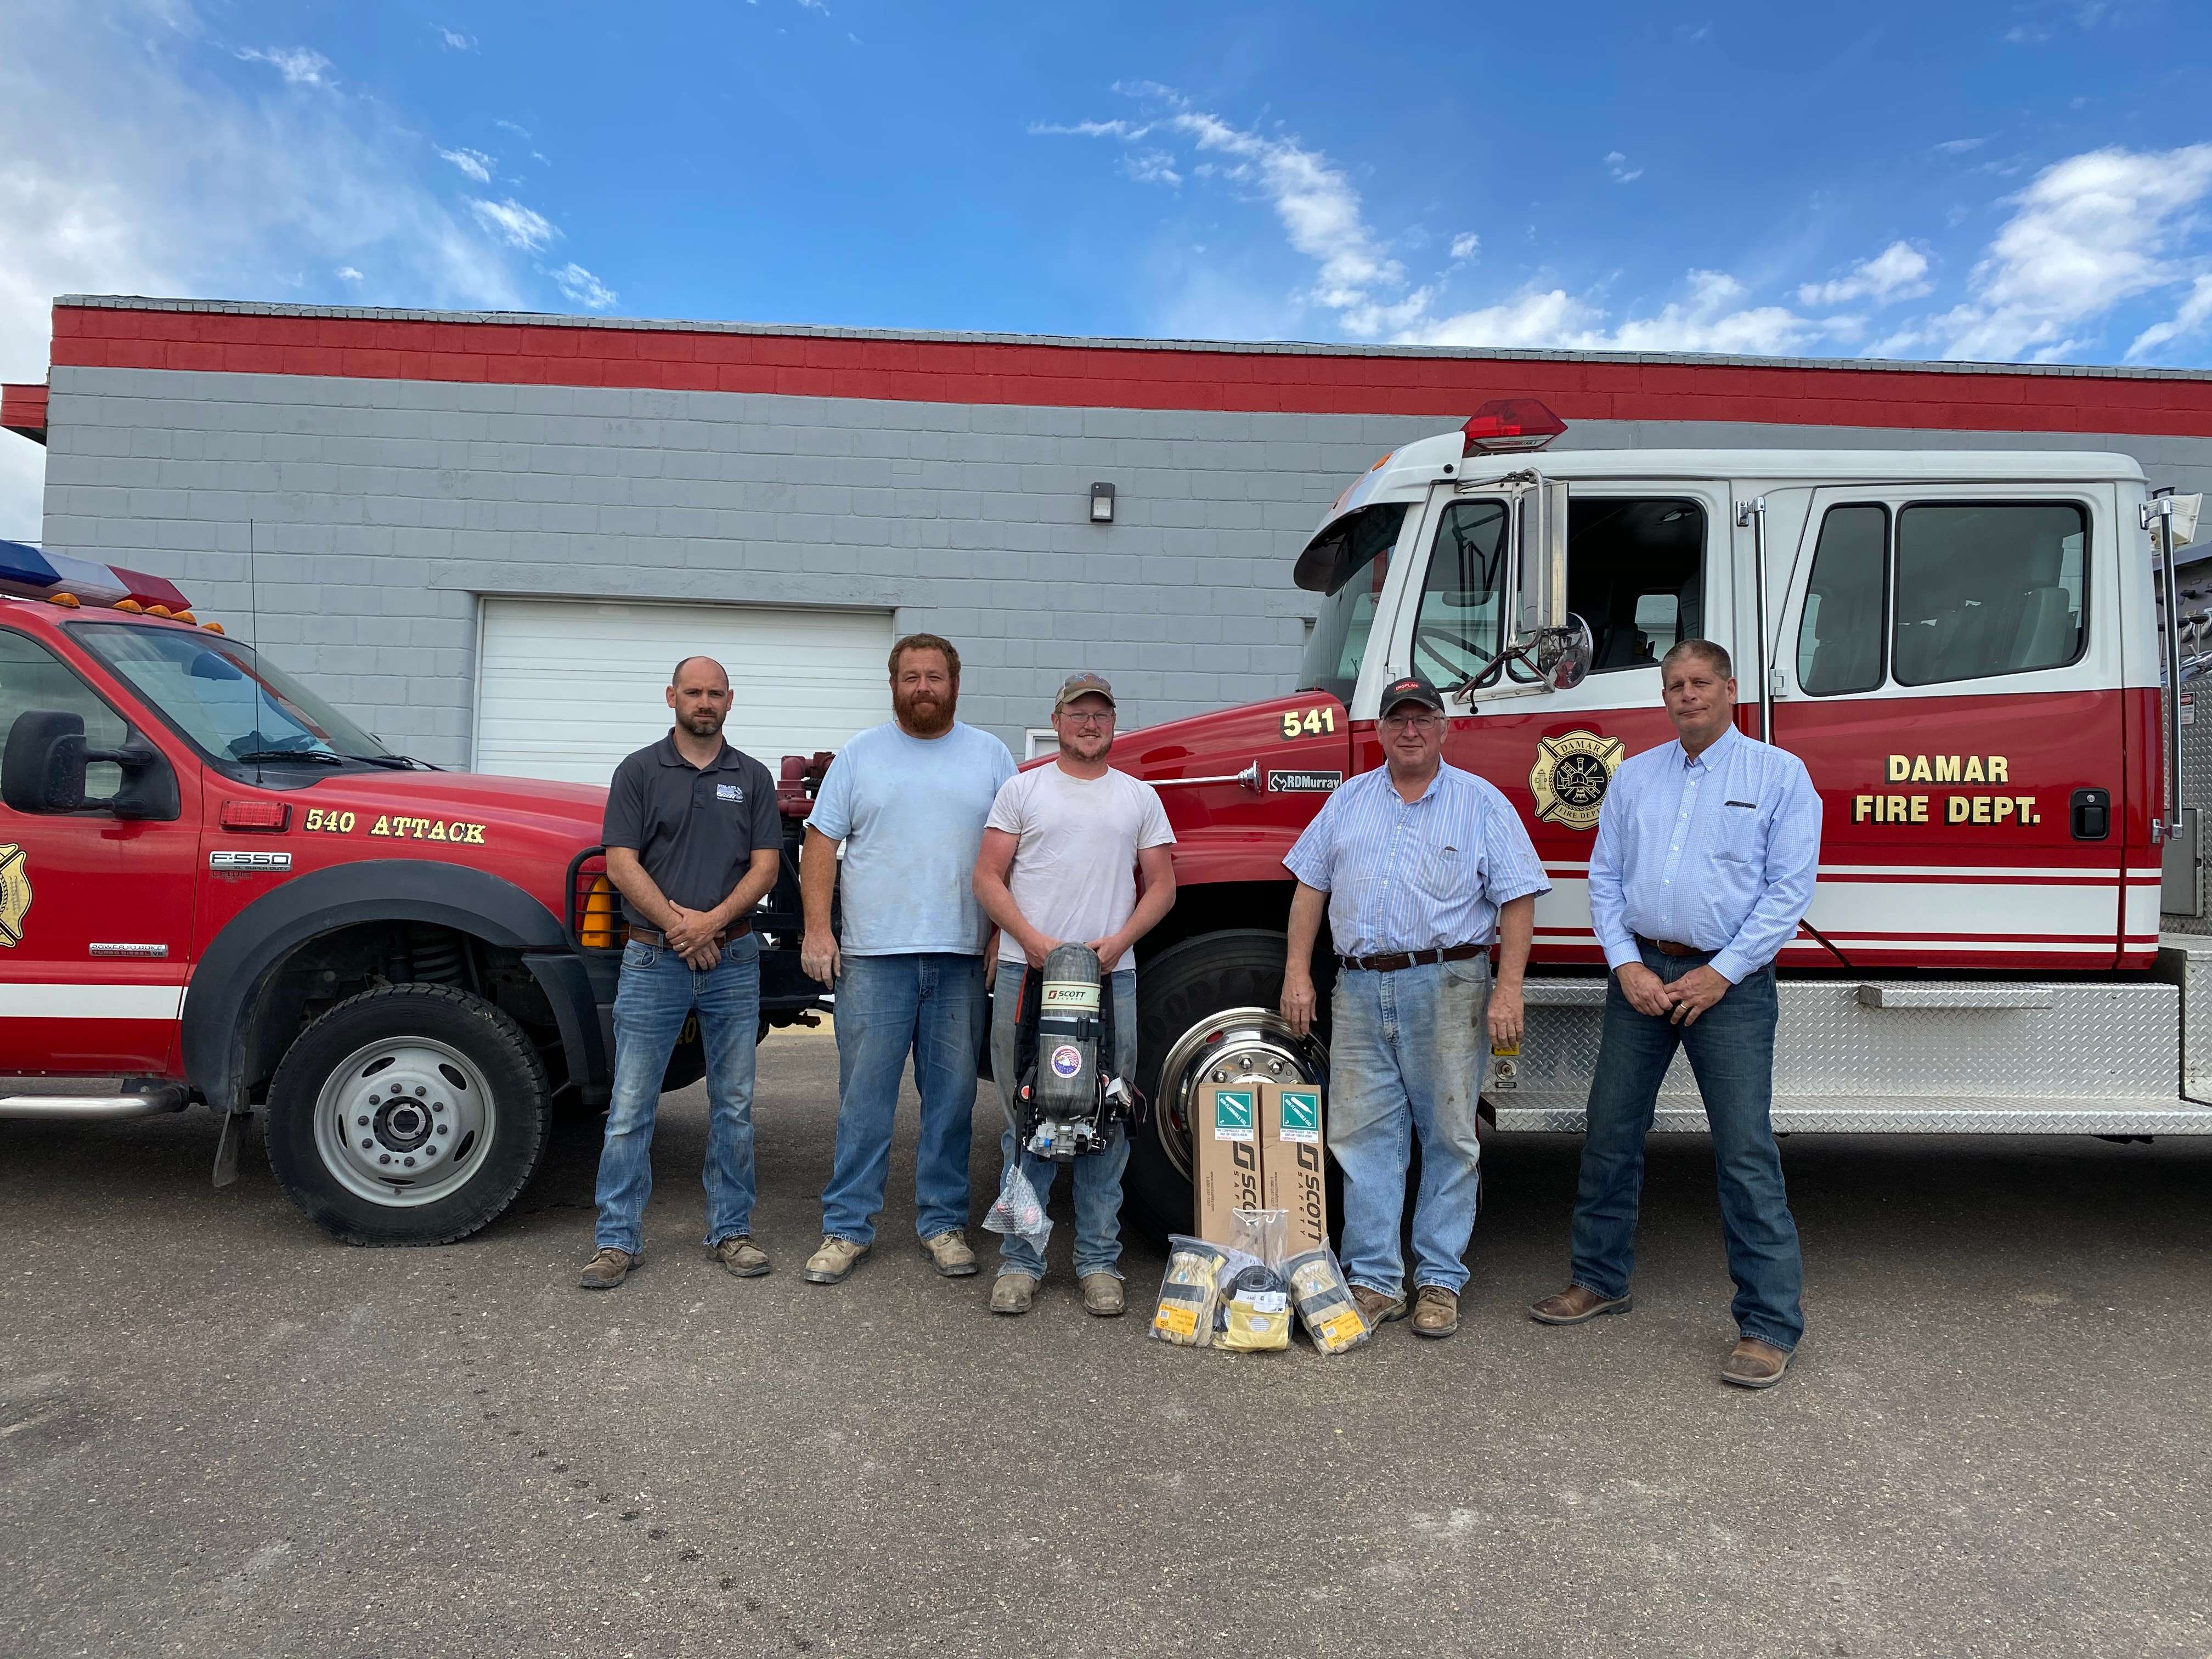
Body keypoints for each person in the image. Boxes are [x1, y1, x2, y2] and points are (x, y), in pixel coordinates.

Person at [1528, 639, 1821, 1390]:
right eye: (1674, 685)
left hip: (1730, 985)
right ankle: (1599, 1279)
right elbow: (1603, 876)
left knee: (1745, 1152)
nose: (1686, 695)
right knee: (1611, 1133)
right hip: (1643, 979)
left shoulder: (1778, 777)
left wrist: (1719, 975)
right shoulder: (1635, 779)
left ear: (1729, 688)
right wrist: (1625, 963)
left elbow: (1788, 894)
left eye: (1699, 683)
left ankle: (1767, 1324)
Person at [1280, 672, 1549, 1339]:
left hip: (1449, 985)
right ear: (1378, 731)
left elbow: (1517, 898)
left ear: (1443, 728)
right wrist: (1298, 977)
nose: (1409, 730)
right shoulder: (1347, 802)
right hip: (1360, 987)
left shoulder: (1482, 803)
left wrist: (1507, 989)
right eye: (1398, 719)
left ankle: (1438, 1280)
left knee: (1450, 1137)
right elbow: (1309, 889)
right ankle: (1373, 1280)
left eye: (1422, 718)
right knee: (1363, 1137)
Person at [798, 634, 1015, 1286]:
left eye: (935, 677)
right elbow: (818, 845)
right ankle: (846, 1228)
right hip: (873, 958)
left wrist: (1004, 928)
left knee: (949, 1103)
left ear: (955, 683)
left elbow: (1017, 848)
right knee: (863, 1102)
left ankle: (943, 1225)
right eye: (912, 677)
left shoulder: (992, 755)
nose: (924, 687)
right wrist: (818, 930)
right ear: (893, 684)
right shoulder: (861, 756)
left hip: (958, 958)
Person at [972, 672, 1176, 1317]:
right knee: (1027, 1116)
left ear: (1113, 725)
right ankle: (1021, 1262)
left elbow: (1163, 887)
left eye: (1101, 715)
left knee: (1106, 1116)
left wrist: (1117, 943)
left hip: (1109, 978)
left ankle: (1097, 1263)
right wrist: (1031, 943)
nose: (1090, 724)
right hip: (1027, 974)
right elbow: (986, 876)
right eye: (1078, 714)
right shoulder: (1022, 790)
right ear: (1057, 721)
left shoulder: (1138, 797)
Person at [577, 656, 784, 1290]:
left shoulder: (751, 777)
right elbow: (620, 863)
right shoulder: (639, 771)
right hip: (652, 959)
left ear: (730, 700)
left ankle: (731, 1232)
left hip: (733, 960)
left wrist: (712, 923)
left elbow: (766, 868)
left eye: (714, 693)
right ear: (671, 696)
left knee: (736, 1106)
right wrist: (678, 926)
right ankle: (616, 1241)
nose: (703, 702)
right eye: (692, 692)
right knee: (630, 1107)